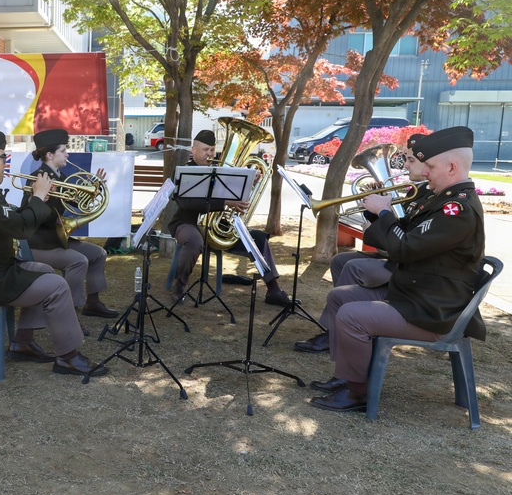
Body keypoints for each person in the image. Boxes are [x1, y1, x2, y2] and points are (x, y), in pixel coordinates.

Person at [307, 126, 485, 412]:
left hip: (434, 310)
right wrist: (379, 215)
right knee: (340, 297)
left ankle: (358, 394)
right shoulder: (441, 200)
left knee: (352, 315)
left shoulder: (457, 210)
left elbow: (403, 249)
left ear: (452, 167)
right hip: (417, 294)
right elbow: (403, 238)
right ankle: (348, 376)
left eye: (429, 166)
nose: (424, 172)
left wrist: (386, 213)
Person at [0, 130, 108, 377]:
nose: (6, 162)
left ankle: (23, 342)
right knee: (56, 286)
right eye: (3, 157)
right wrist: (37, 197)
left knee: (45, 271)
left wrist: (38, 200)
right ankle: (68, 357)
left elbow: (14, 219)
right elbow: (21, 229)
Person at [294, 133, 432, 353]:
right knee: (340, 261)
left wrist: (383, 211)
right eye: (405, 159)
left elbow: (404, 234)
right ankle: (340, 325)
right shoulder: (420, 191)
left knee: (353, 266)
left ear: (429, 162)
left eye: (410, 160)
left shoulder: (430, 196)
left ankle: (334, 334)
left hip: (405, 266)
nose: (404, 165)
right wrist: (373, 211)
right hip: (395, 255)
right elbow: (398, 224)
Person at [166, 129, 292, 306]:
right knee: (194, 241)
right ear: (193, 151)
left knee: (257, 238)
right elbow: (186, 204)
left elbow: (236, 197)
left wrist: (249, 182)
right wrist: (225, 202)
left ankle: (273, 290)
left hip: (218, 227)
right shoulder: (184, 172)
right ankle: (180, 285)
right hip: (187, 222)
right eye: (204, 150)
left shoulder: (221, 173)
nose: (209, 154)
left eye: (212, 150)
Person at [20, 128, 118, 335]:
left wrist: (94, 189)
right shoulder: (37, 178)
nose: (68, 154)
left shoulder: (60, 176)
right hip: (39, 243)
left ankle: (92, 303)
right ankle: (70, 314)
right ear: (49, 155)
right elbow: (29, 215)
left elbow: (77, 203)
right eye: (64, 150)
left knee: (98, 254)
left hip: (55, 239)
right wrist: (40, 198)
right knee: (78, 261)